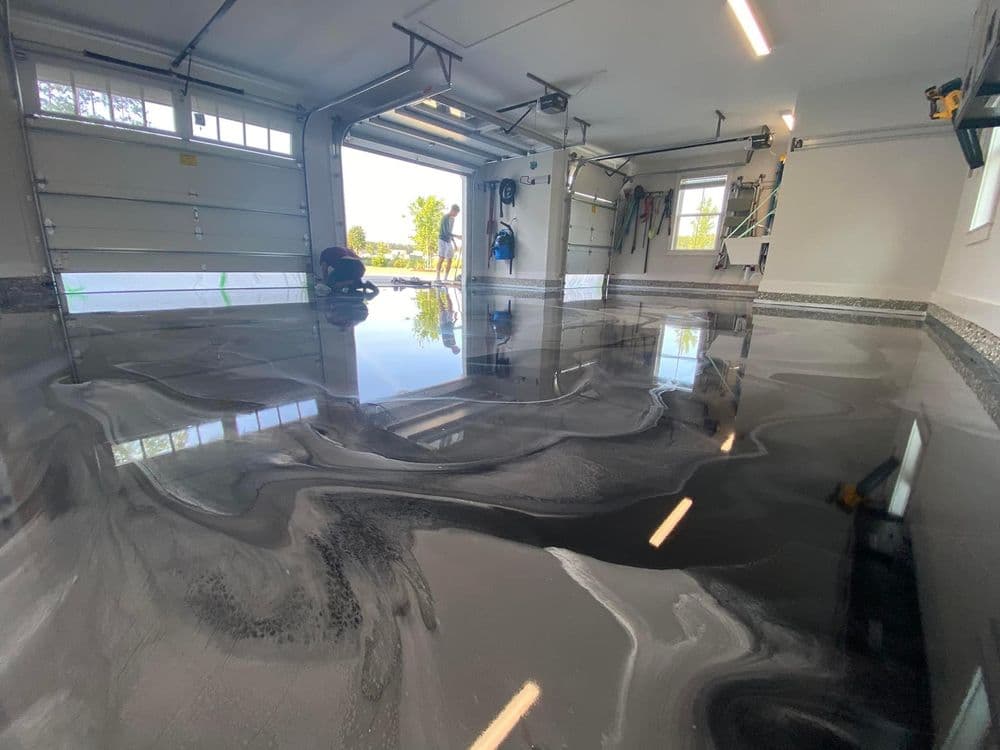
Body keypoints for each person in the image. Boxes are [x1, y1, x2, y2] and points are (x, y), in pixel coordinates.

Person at [436, 204, 461, 283]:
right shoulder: (445, 218)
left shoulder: (452, 219)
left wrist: (454, 243)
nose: (456, 215)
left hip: (448, 240)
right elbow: (446, 232)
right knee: (441, 258)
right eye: (456, 213)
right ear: (453, 210)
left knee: (450, 259)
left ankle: (445, 278)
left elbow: (450, 232)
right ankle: (437, 277)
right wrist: (457, 236)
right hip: (442, 239)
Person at [436, 288, 460, 354]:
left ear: (453, 350)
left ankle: (438, 292)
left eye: (456, 348)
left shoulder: (447, 345)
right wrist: (455, 320)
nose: (456, 347)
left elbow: (445, 332)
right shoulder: (454, 342)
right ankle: (446, 291)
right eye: (457, 347)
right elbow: (452, 331)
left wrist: (442, 325)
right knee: (450, 307)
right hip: (449, 322)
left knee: (442, 309)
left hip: (443, 324)